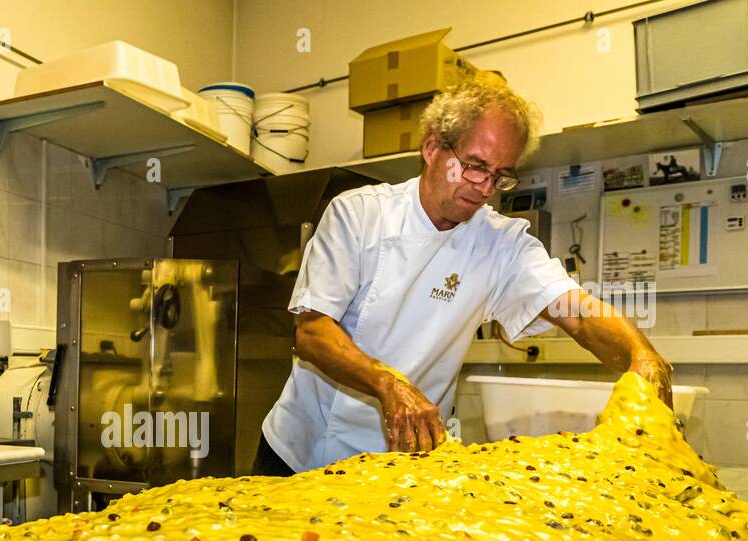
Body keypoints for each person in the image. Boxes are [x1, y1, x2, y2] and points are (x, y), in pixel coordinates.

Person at [253, 75, 672, 477]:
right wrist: (388, 384)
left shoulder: (500, 244)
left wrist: (640, 356)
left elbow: (576, 312)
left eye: (500, 175)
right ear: (432, 147)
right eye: (474, 166)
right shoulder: (359, 215)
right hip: (303, 453)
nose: (485, 187)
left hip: (404, 465)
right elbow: (312, 333)